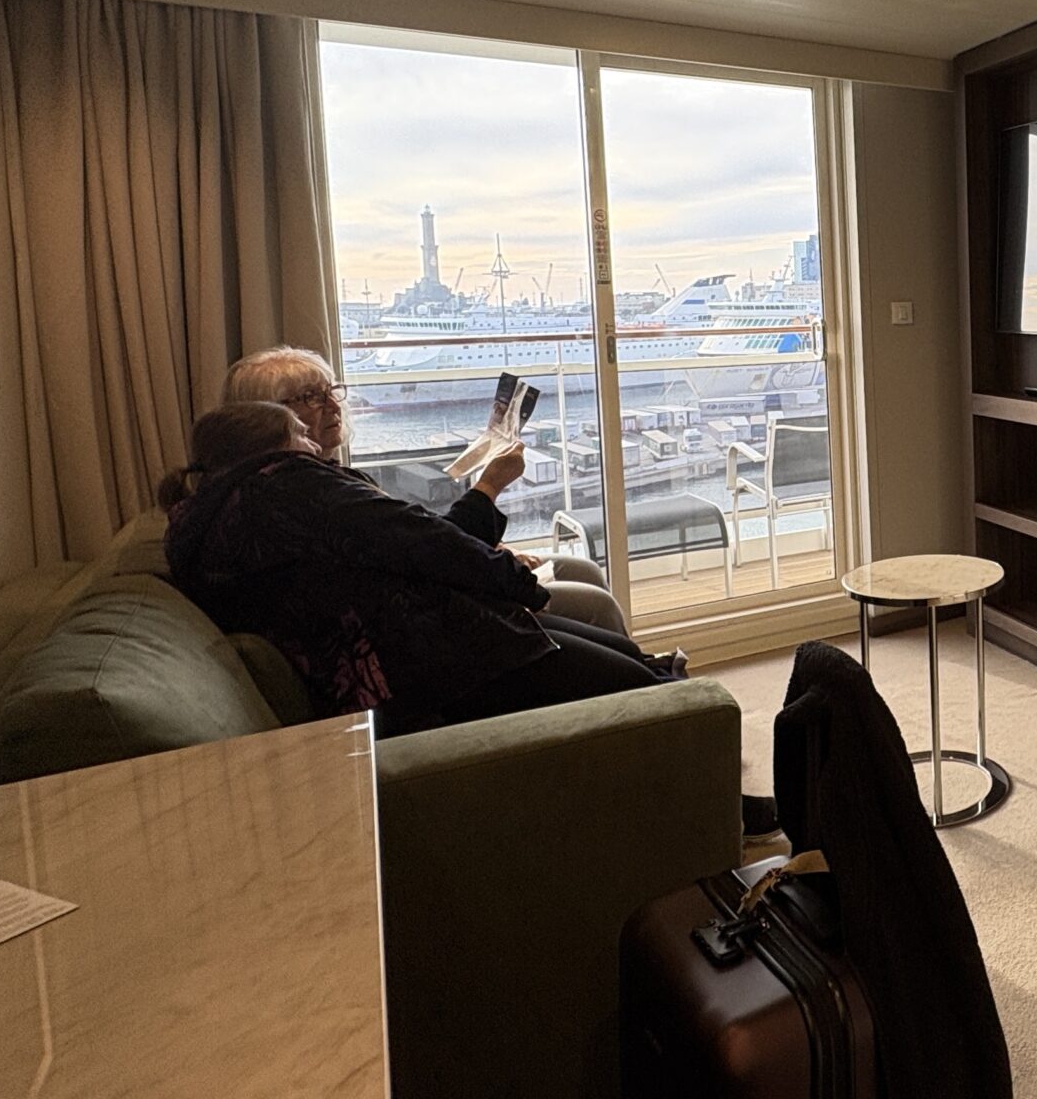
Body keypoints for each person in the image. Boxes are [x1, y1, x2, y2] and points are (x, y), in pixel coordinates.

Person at [160, 401, 775, 836]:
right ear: (271, 445)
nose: (316, 437)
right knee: (648, 694)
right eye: (301, 424)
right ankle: (721, 816)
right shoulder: (287, 484)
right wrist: (512, 580)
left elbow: (401, 548)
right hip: (435, 662)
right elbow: (418, 537)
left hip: (418, 645)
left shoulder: (209, 519)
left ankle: (706, 788)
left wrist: (491, 540)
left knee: (632, 662)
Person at [221, 346, 638, 642]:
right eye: (311, 398)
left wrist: (492, 548)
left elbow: (414, 541)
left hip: (429, 593)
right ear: (265, 417)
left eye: (331, 391)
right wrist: (490, 487)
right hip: (430, 616)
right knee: (594, 603)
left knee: (581, 569)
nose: (332, 405)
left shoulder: (317, 478)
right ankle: (644, 704)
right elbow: (428, 552)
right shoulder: (314, 495)